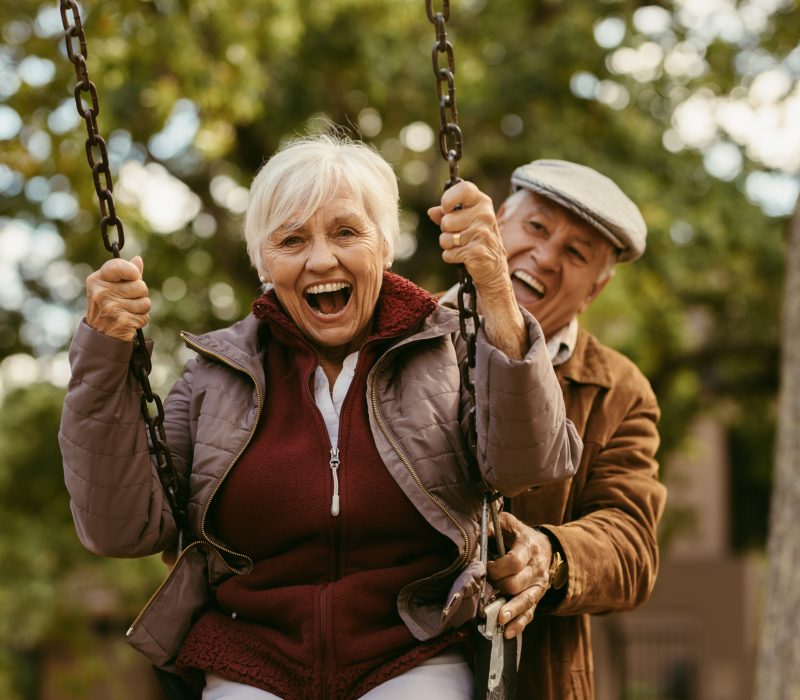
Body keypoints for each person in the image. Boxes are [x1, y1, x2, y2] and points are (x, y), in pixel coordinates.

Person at [59, 135, 582, 700]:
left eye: (346, 232)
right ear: (265, 261)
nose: (321, 259)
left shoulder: (447, 348)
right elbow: (123, 529)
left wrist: (496, 292)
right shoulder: (214, 376)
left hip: (413, 651)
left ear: (384, 246)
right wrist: (105, 355)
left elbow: (529, 463)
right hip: (250, 658)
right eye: (291, 239)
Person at [430, 160, 667, 699]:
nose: (545, 256)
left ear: (596, 290)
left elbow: (631, 545)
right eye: (536, 228)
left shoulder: (620, 391)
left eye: (576, 253)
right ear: (498, 223)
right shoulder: (398, 332)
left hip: (534, 680)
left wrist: (551, 556)